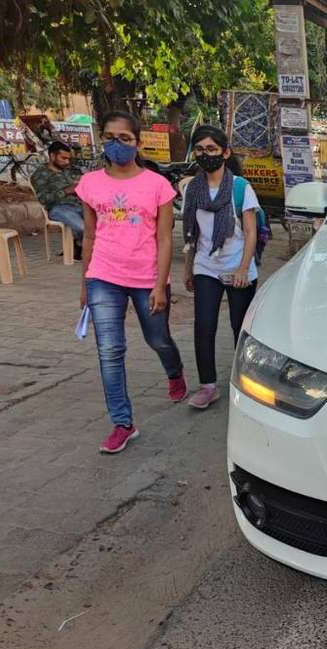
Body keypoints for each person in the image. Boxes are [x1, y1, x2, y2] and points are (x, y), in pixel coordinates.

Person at [76, 111, 187, 454]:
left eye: (124, 138)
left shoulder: (158, 186)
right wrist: (83, 284)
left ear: (137, 143)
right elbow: (90, 237)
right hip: (104, 275)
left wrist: (159, 284)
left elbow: (165, 239)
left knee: (157, 338)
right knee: (110, 350)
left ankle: (174, 369)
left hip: (146, 277)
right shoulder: (90, 183)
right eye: (109, 137)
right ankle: (122, 423)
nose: (116, 144)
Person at [181, 125, 260, 410]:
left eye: (211, 149)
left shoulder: (240, 188)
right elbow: (191, 231)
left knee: (240, 328)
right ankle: (208, 385)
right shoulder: (193, 188)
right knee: (204, 326)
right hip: (206, 266)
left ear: (225, 153)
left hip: (238, 267)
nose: (205, 155)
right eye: (200, 149)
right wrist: (188, 267)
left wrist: (242, 268)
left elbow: (250, 231)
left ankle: (247, 380)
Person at [30, 141, 84, 258]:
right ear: (52, 156)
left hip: (81, 204)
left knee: (107, 221)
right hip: (59, 208)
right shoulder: (40, 174)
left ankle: (78, 245)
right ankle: (78, 245)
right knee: (82, 227)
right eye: (63, 158)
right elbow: (44, 199)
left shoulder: (70, 170)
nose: (67, 162)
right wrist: (66, 191)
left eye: (68, 159)